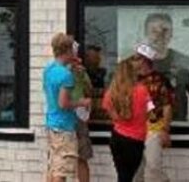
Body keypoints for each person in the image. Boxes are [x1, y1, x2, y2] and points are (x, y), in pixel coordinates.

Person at [143, 12, 189, 123]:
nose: (160, 36)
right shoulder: (131, 65)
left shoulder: (186, 63)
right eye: (154, 31)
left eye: (165, 31)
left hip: (178, 129)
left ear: (172, 33)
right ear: (146, 33)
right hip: (141, 130)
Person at [43, 33, 91, 182]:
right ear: (68, 50)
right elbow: (63, 103)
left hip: (51, 123)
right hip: (64, 126)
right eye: (72, 49)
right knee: (62, 170)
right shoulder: (66, 75)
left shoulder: (49, 69)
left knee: (53, 166)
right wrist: (81, 102)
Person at [102, 49, 154, 182]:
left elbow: (111, 113)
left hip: (117, 136)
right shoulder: (142, 90)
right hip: (136, 139)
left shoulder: (112, 92)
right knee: (128, 176)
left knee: (122, 175)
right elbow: (150, 112)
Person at [136, 46, 175, 182]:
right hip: (134, 129)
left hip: (154, 128)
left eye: (137, 58)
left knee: (153, 166)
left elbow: (167, 105)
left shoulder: (160, 80)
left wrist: (165, 129)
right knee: (136, 169)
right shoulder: (131, 80)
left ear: (144, 61)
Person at [70, 42, 94, 182]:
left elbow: (89, 91)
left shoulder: (81, 71)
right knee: (60, 159)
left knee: (82, 157)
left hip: (79, 115)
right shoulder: (59, 71)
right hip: (63, 116)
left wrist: (82, 77)